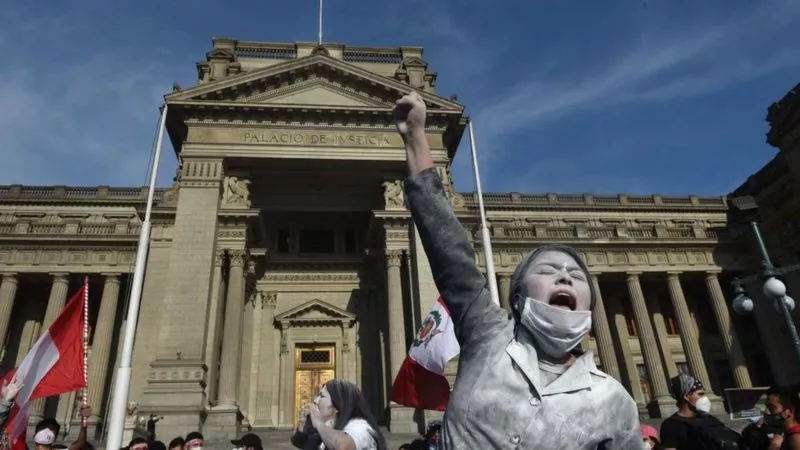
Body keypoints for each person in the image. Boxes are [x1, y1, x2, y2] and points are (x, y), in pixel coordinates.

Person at [393, 91, 643, 449]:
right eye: (548, 270)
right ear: (518, 295)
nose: (564, 276)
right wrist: (417, 136)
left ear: (590, 305)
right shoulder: (487, 336)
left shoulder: (615, 401)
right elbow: (448, 249)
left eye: (576, 275)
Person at [295, 378, 387, 450]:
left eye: (322, 396)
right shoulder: (330, 427)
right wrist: (303, 422)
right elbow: (299, 442)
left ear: (338, 404)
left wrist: (319, 423)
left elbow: (343, 447)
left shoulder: (360, 426)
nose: (315, 401)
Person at [659, 373, 742, 450]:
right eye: (700, 394)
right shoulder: (671, 425)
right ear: (687, 397)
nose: (705, 398)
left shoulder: (710, 419)